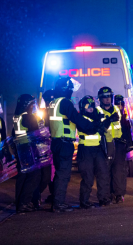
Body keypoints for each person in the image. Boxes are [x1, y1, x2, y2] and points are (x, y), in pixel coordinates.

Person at [48, 77, 103, 212]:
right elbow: (76, 118)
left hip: (56, 141)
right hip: (64, 143)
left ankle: (57, 201)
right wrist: (93, 126)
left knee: (58, 173)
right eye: (70, 89)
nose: (71, 92)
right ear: (66, 90)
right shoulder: (65, 103)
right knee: (63, 174)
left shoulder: (53, 102)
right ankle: (58, 204)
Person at [77, 95, 111, 208]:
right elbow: (90, 129)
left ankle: (104, 198)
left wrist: (107, 121)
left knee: (103, 173)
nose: (90, 109)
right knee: (88, 176)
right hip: (85, 150)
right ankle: (84, 201)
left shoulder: (97, 117)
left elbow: (101, 130)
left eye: (92, 106)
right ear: (83, 108)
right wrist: (102, 122)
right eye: (88, 107)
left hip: (97, 149)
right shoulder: (81, 118)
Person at [94, 87, 126, 205]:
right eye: (104, 97)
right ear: (100, 99)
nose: (107, 99)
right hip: (104, 144)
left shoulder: (117, 109)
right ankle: (104, 196)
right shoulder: (97, 111)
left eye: (109, 97)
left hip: (118, 143)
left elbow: (123, 125)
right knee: (104, 171)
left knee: (119, 171)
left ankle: (118, 194)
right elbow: (98, 127)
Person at [12, 94, 42, 213]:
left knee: (22, 177)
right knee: (35, 177)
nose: (33, 106)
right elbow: (37, 132)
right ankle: (24, 202)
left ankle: (19, 203)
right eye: (32, 104)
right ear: (27, 105)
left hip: (21, 148)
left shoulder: (17, 116)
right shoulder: (28, 117)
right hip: (29, 149)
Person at [32, 89, 55, 207]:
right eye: (48, 100)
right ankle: (35, 197)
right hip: (43, 149)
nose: (50, 102)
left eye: (52, 99)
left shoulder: (56, 112)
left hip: (55, 147)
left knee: (53, 175)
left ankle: (54, 195)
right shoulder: (41, 114)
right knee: (44, 176)